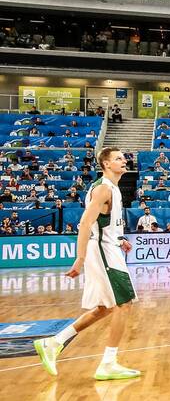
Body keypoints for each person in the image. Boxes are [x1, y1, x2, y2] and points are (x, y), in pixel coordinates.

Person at [33, 147, 140, 381]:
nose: (124, 161)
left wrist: (119, 239)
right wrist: (79, 258)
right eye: (118, 158)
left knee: (106, 307)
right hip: (102, 251)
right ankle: (108, 363)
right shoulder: (103, 189)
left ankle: (54, 342)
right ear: (106, 164)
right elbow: (84, 223)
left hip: (108, 247)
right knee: (124, 304)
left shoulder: (112, 188)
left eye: (124, 157)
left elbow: (104, 222)